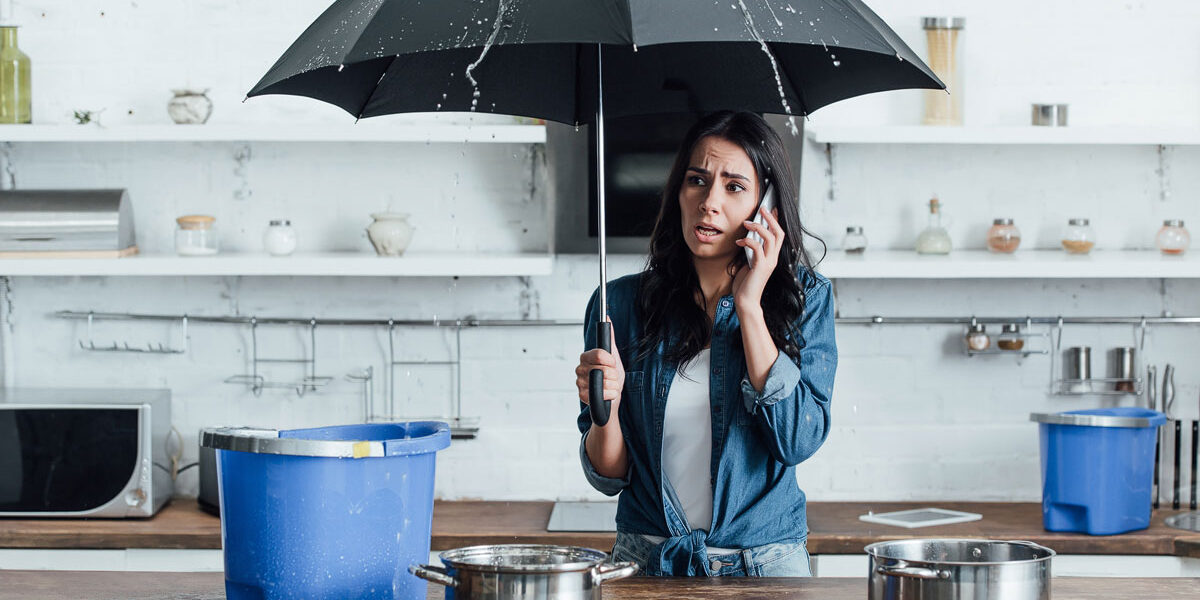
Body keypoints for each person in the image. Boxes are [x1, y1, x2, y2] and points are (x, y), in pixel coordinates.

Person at [574, 111, 837, 577]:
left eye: (734, 186)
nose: (709, 202)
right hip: (647, 564)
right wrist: (607, 409)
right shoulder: (618, 303)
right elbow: (608, 476)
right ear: (678, 189)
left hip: (764, 568)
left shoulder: (806, 299)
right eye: (697, 180)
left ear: (767, 206)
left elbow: (796, 439)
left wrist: (750, 306)